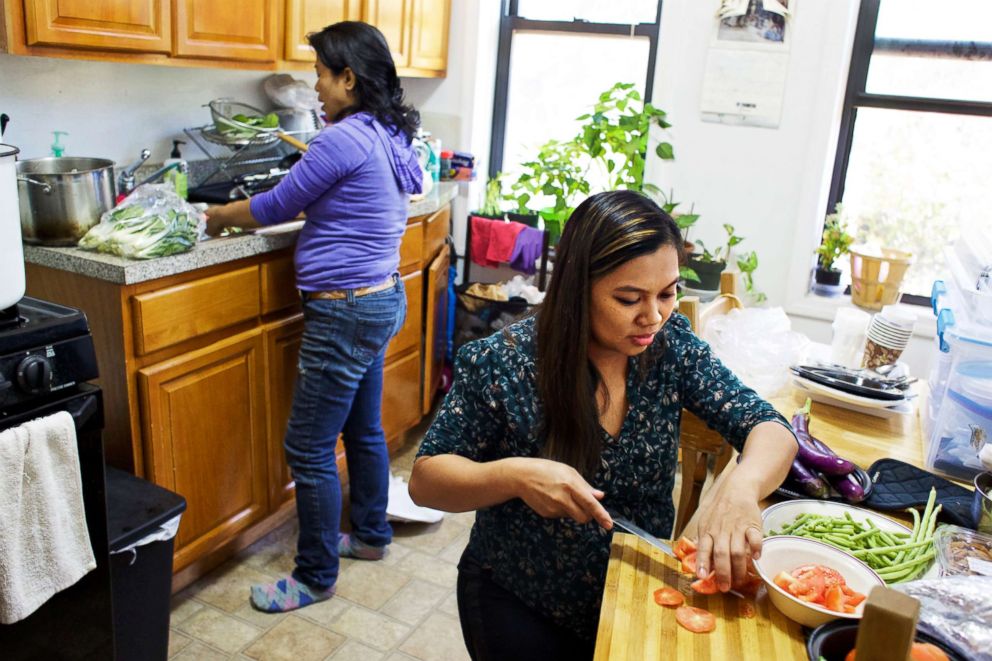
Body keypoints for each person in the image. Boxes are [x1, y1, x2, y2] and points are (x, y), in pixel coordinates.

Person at [408, 190, 798, 659]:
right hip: (519, 600)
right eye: (629, 298)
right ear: (578, 287)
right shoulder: (504, 362)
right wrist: (515, 475)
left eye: (668, 293)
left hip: (631, 593)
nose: (652, 315)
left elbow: (770, 427)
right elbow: (426, 481)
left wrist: (741, 488)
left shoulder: (670, 346)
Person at [205, 21, 422, 613]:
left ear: (349, 77)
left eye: (322, 75)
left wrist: (219, 214)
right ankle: (372, 536)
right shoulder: (387, 132)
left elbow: (277, 205)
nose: (316, 87)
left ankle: (314, 575)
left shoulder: (342, 139)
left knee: (307, 447)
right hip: (379, 297)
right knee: (364, 430)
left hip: (345, 310)